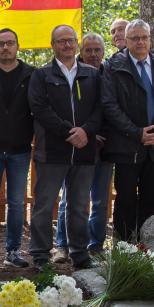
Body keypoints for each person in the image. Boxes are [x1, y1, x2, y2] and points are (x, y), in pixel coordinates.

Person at [28, 25, 104, 271]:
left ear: (77, 44)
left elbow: (102, 108)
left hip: (84, 151)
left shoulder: (92, 75)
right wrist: (68, 132)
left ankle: (80, 255)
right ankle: (40, 256)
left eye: (71, 41)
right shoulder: (42, 75)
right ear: (53, 45)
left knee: (79, 206)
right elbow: (39, 109)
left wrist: (87, 131)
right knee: (44, 205)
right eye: (61, 42)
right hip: (51, 151)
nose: (67, 45)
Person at [100, 20, 154, 242]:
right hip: (128, 146)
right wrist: (137, 133)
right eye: (135, 38)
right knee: (126, 199)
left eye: (144, 37)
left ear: (150, 39)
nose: (140, 42)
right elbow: (109, 105)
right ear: (126, 42)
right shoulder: (113, 66)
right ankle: (124, 250)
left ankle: (149, 249)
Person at [0, 28, 34, 268]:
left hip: (21, 149)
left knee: (17, 203)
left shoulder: (31, 74)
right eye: (1, 44)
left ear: (17, 46)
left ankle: (13, 251)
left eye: (10, 43)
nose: (5, 48)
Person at [56, 32, 112, 259]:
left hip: (105, 148)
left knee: (100, 200)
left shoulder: (110, 75)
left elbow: (109, 109)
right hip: (77, 146)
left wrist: (99, 134)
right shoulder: (72, 73)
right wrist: (87, 134)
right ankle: (63, 245)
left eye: (98, 50)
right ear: (81, 52)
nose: (93, 54)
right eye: (88, 50)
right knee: (69, 199)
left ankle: (96, 246)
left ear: (103, 52)